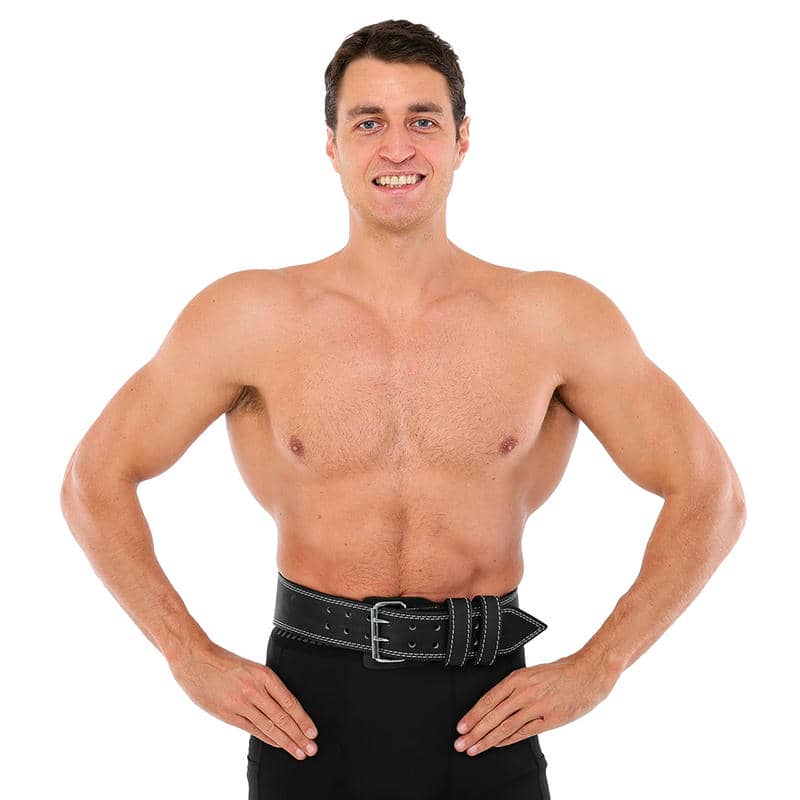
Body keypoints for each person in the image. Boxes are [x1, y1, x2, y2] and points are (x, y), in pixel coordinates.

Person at [60, 18, 746, 800]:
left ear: (461, 139)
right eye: (368, 123)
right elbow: (93, 480)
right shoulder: (249, 316)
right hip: (306, 715)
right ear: (331, 145)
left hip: (489, 711)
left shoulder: (553, 318)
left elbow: (712, 495)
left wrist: (602, 664)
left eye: (422, 121)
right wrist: (188, 654)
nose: (396, 148)